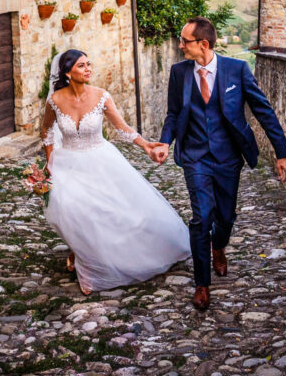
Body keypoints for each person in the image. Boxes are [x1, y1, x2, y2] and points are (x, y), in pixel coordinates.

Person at [149, 17, 286, 310]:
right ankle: (201, 283)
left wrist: (282, 152)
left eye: (184, 41)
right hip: (195, 156)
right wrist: (165, 142)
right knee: (202, 217)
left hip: (228, 157)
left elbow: (263, 110)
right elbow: (174, 113)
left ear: (203, 44)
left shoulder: (236, 70)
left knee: (225, 217)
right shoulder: (179, 73)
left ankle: (219, 245)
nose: (180, 46)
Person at [40, 48, 190, 294]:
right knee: (71, 209)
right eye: (81, 65)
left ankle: (92, 265)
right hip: (67, 162)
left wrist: (146, 146)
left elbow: (122, 128)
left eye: (89, 64)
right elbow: (46, 132)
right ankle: (83, 256)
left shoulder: (101, 96)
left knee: (109, 212)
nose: (88, 69)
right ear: (67, 73)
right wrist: (50, 163)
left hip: (100, 159)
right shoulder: (54, 101)